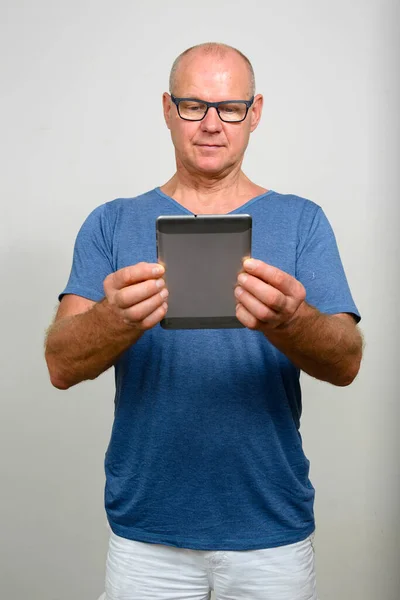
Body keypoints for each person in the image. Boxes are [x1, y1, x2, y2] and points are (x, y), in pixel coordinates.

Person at [45, 42, 363, 600]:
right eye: (193, 106)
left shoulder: (302, 221)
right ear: (167, 110)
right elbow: (61, 364)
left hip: (270, 532)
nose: (211, 124)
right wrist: (114, 318)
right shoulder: (110, 223)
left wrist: (290, 319)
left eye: (229, 107)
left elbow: (346, 362)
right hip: (148, 536)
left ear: (255, 112)